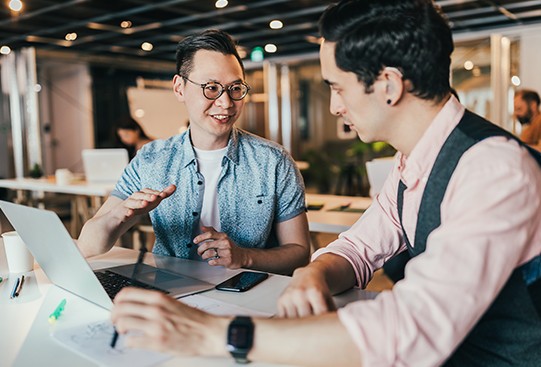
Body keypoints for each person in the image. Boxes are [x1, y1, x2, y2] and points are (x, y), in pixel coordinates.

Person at [110, 1, 541, 366]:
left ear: (387, 85)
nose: (334, 107)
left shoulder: (494, 169)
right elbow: (358, 247)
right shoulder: (415, 160)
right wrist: (314, 272)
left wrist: (220, 334)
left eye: (337, 87)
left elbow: (417, 327)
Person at [77, 29, 310, 276]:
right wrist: (119, 215)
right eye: (211, 88)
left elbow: (299, 252)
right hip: (169, 293)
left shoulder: (273, 161)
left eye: (235, 88)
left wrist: (245, 257)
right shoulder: (151, 159)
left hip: (249, 294)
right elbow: (89, 245)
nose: (226, 103)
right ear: (179, 88)